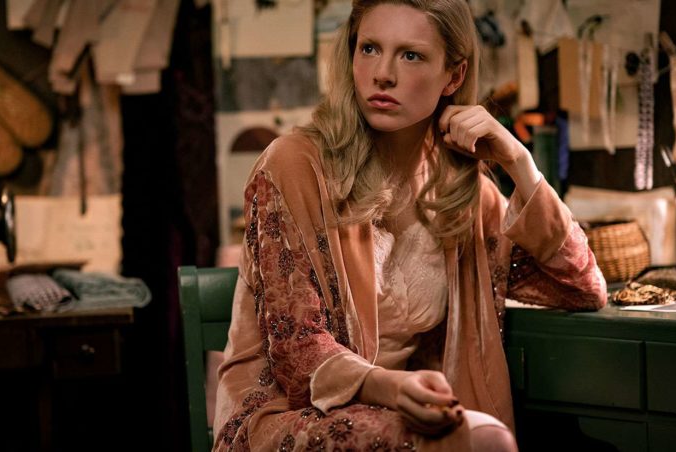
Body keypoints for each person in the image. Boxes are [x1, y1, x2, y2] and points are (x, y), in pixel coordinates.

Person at [212, 1, 607, 450]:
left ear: (454, 76)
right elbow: (298, 352)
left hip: (404, 409)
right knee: (481, 440)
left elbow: (582, 287)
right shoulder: (294, 165)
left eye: (411, 55)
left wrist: (520, 162)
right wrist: (394, 388)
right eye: (369, 49)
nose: (382, 74)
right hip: (287, 417)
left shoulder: (462, 193)